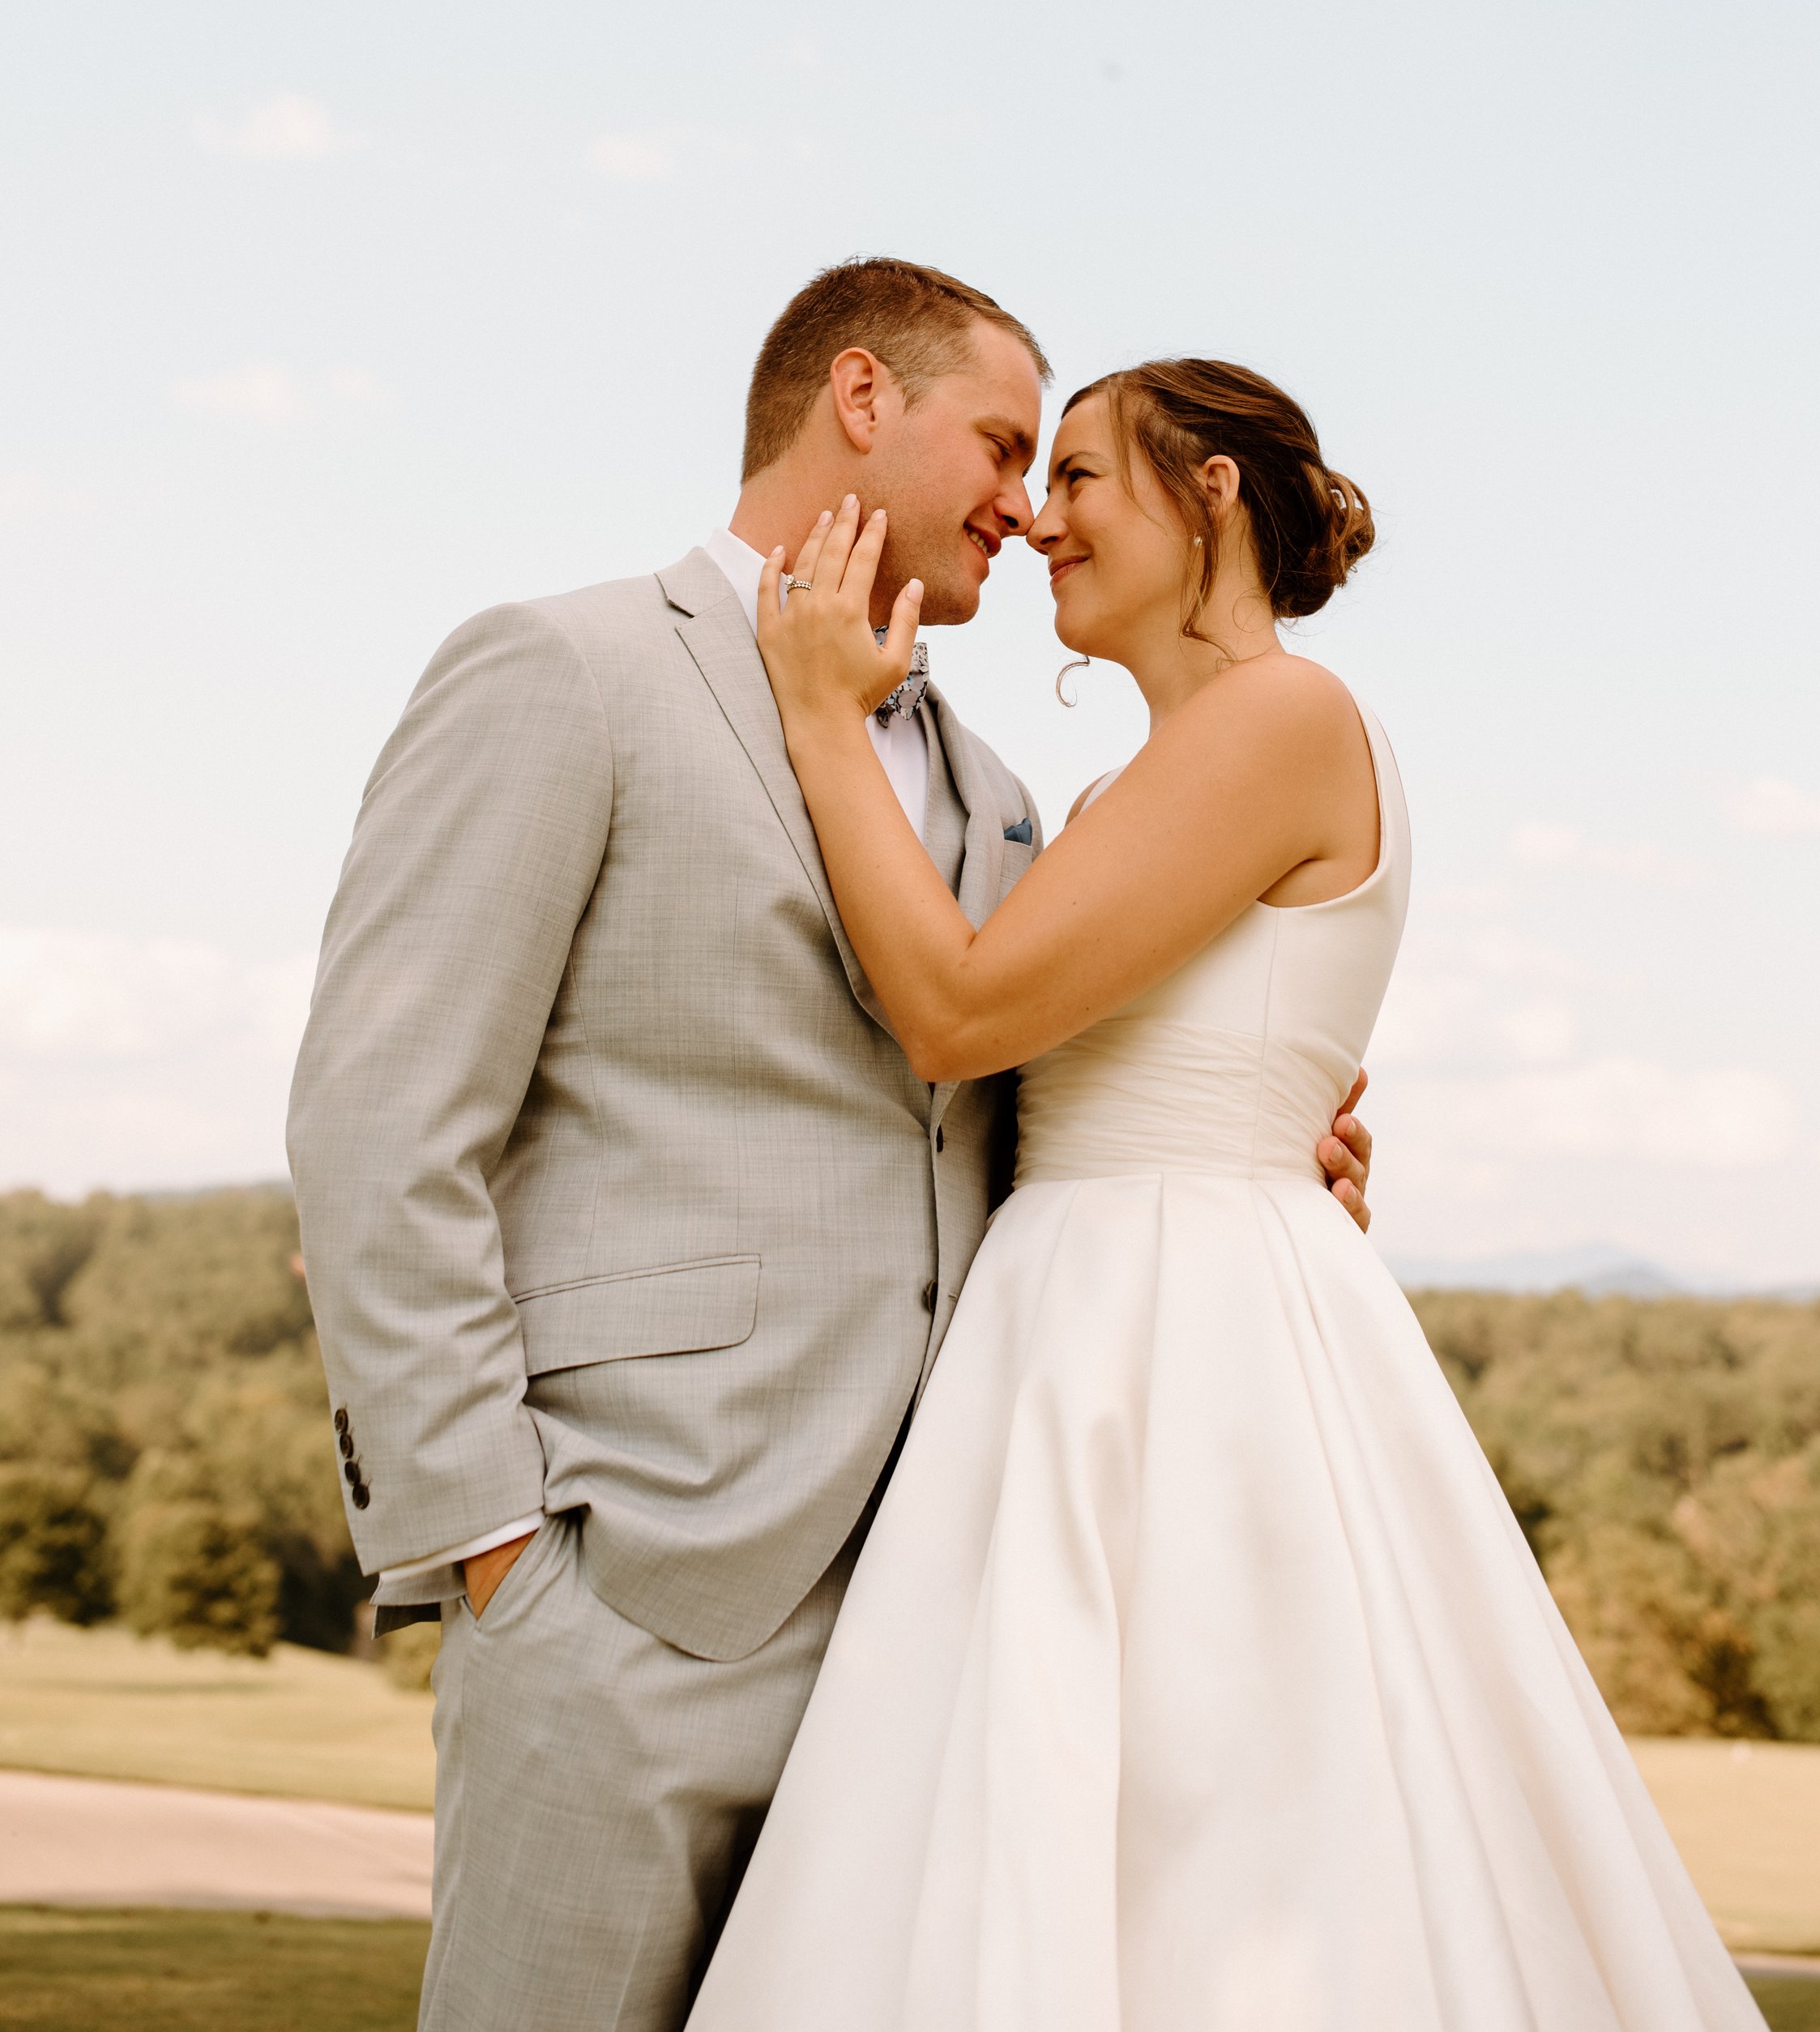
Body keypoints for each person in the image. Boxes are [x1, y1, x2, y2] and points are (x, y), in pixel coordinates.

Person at [285, 263, 1373, 2032]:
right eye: (1006, 444)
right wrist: (495, 1548)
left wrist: (1265, 1132)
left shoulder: (1006, 793)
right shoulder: (567, 671)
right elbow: (381, 1119)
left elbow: (1044, 1087)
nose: (1025, 510)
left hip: (926, 1632)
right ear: (860, 399)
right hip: (620, 1597)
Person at [690, 357, 1761, 2032]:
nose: (1038, 517)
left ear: (1208, 497)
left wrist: (819, 715)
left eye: (1082, 475)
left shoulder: (1283, 716)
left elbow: (960, 1009)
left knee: (1221, 1834)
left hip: (1179, 1344)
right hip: (1076, 1317)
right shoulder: (1133, 785)